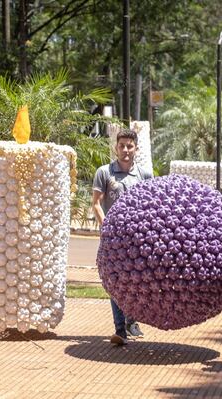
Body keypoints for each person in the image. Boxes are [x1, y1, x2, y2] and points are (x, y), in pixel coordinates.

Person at [92, 128, 153, 346]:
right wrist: (107, 226)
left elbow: (150, 204)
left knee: (137, 281)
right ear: (116, 148)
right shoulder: (105, 172)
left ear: (136, 148)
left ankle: (132, 320)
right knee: (115, 282)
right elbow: (96, 203)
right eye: (122, 146)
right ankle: (120, 329)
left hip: (137, 240)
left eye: (130, 146)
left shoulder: (144, 175)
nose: (125, 150)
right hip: (113, 240)